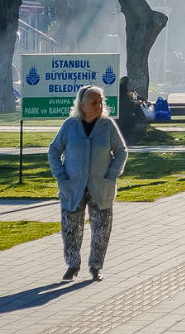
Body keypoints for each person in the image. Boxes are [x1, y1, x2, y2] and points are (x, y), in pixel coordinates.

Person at [48, 85, 129, 282]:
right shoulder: (70, 126)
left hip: (101, 187)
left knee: (101, 229)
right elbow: (54, 150)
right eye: (94, 102)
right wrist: (60, 175)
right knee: (71, 228)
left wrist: (112, 175)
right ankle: (73, 265)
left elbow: (121, 152)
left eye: (101, 102)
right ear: (82, 105)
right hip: (72, 186)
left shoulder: (107, 125)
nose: (99, 105)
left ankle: (96, 267)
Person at [115, 75, 148, 144]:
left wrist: (144, 101)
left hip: (129, 115)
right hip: (122, 115)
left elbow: (139, 98)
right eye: (129, 84)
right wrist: (135, 103)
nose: (130, 85)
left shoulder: (131, 92)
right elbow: (125, 102)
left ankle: (124, 140)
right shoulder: (121, 92)